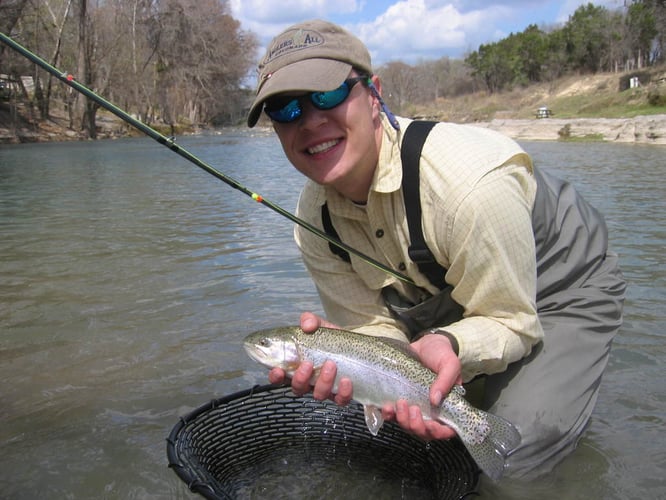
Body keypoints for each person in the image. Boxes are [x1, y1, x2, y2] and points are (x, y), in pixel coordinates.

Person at [246, 19, 625, 478]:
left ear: (374, 94)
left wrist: (449, 343)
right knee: (418, 433)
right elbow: (375, 328)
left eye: (326, 95)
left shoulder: (469, 184)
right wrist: (379, 363)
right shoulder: (313, 221)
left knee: (516, 462)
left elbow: (513, 321)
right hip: (458, 284)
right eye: (285, 110)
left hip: (560, 281)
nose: (309, 122)